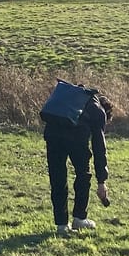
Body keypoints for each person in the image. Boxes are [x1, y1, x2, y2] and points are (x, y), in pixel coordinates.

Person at [44, 89, 112, 234]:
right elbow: (99, 147)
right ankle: (79, 219)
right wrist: (102, 181)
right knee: (83, 175)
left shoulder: (75, 95)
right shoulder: (99, 112)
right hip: (75, 138)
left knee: (58, 178)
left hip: (52, 134)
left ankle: (62, 225)